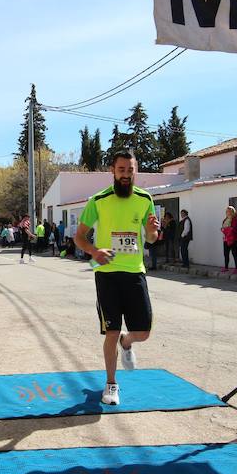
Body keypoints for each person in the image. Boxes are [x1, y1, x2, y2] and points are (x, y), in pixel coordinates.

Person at [74, 150, 159, 406]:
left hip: (134, 272)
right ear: (113, 171)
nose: (125, 175)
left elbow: (152, 238)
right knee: (110, 330)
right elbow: (79, 237)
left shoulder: (145, 199)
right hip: (107, 274)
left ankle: (128, 341)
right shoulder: (99, 200)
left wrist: (153, 231)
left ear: (136, 171)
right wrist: (94, 251)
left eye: (130, 170)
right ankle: (111, 384)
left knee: (143, 332)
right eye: (121, 170)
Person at [220, 206, 237, 273]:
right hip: (226, 239)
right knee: (226, 254)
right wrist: (223, 229)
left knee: (234, 253)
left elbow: (234, 229)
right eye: (227, 211)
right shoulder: (225, 220)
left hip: (233, 239)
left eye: (230, 211)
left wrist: (226, 229)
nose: (228, 212)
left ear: (233, 212)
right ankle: (226, 267)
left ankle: (236, 268)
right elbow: (223, 228)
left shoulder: (235, 220)